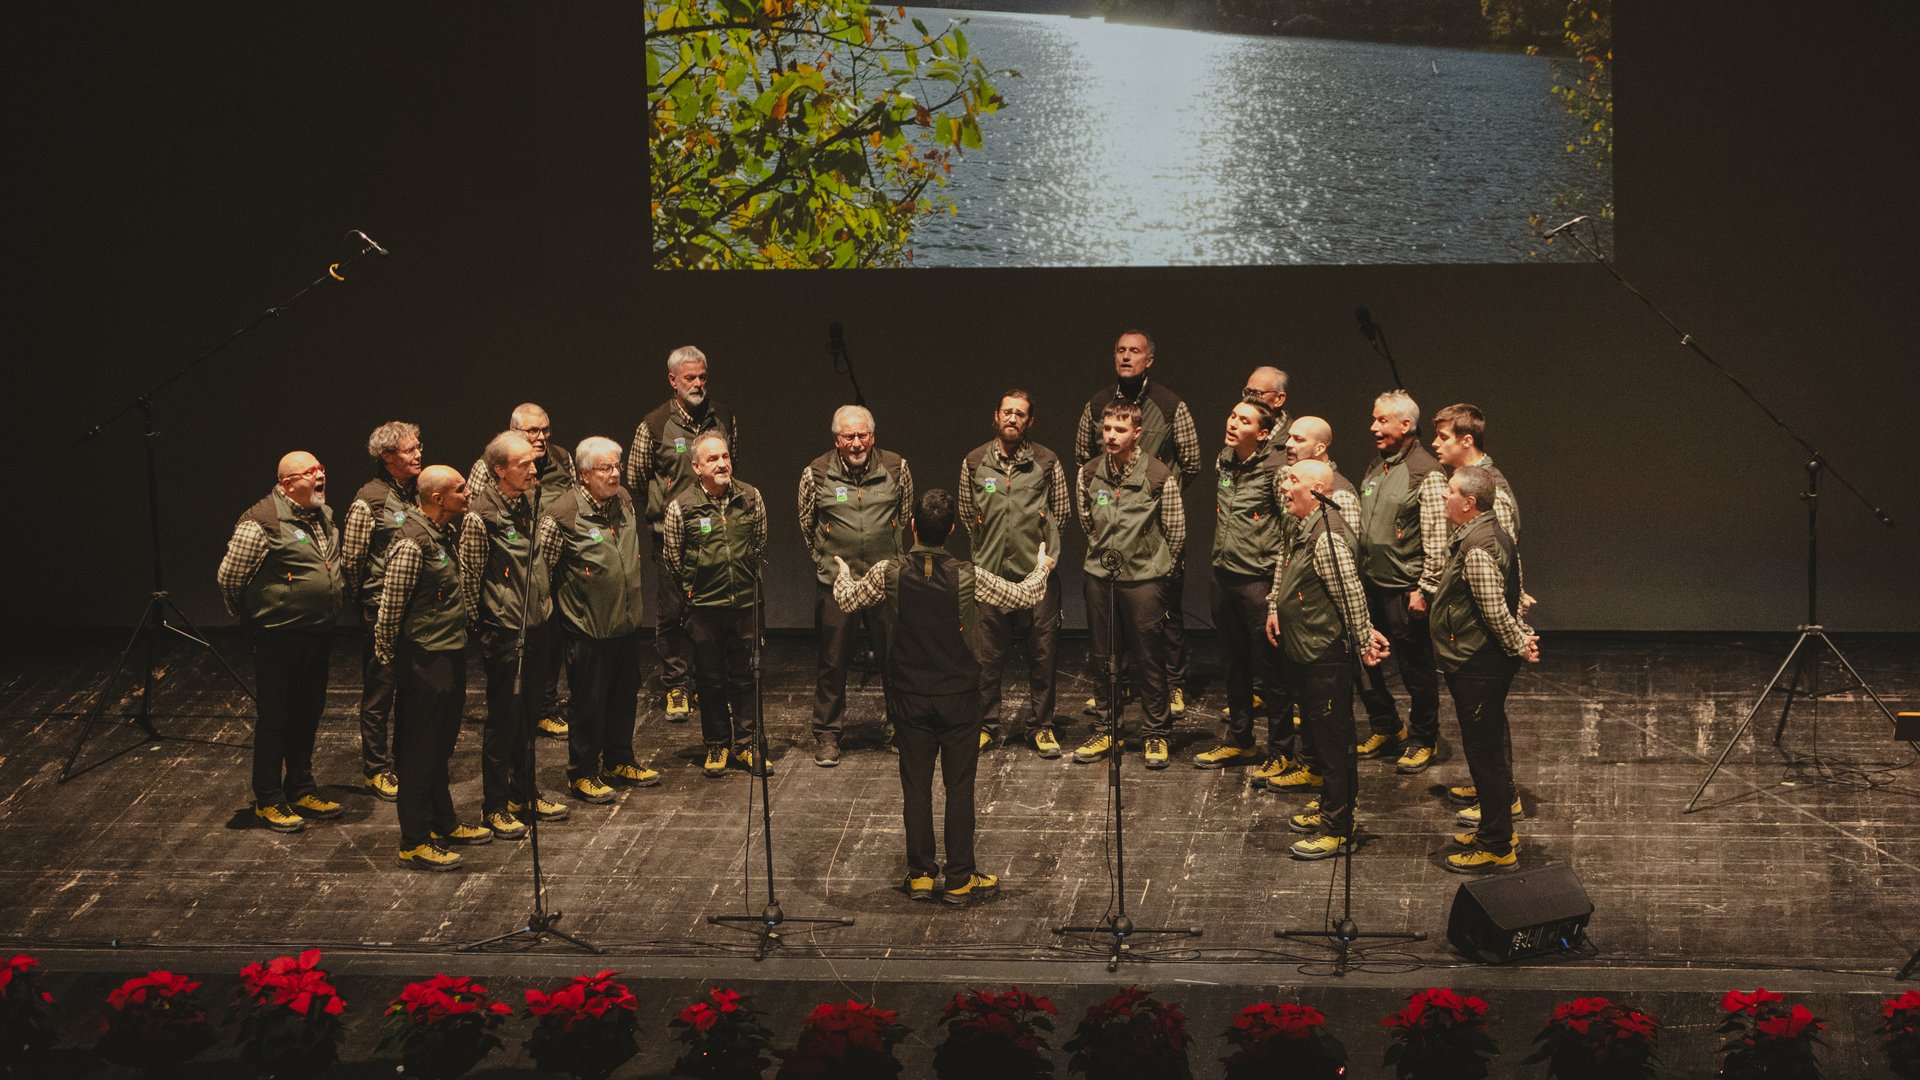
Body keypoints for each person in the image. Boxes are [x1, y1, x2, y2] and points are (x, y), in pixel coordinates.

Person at [832, 489, 1054, 904]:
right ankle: (958, 879)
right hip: (959, 698)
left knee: (915, 786)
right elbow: (1025, 596)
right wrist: (1041, 568)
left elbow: (846, 598)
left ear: (911, 525)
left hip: (910, 697)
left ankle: (919, 874)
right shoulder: (968, 575)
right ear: (953, 529)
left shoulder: (887, 572)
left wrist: (844, 571)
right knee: (959, 787)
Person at [1263, 460, 1390, 860]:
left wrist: (1365, 637)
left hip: (1325, 654)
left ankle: (1339, 827)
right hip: (1307, 649)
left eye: (1294, 481)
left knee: (1334, 743)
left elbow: (1349, 594)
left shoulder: (1327, 536)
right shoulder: (1305, 526)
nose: (1286, 487)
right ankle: (1332, 806)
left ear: (1317, 488)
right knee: (1321, 737)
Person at [216, 451, 345, 833]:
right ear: (288, 482)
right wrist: (258, 613)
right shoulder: (261, 522)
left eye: (322, 468)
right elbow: (230, 577)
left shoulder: (322, 514)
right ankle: (268, 798)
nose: (321, 475)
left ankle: (301, 787)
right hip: (278, 636)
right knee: (277, 717)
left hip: (317, 632)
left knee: (308, 712)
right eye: (311, 472)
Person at [1074, 330, 1201, 716]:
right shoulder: (1097, 405)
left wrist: (1155, 499)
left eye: (1135, 351)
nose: (1126, 357)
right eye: (1120, 350)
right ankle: (1116, 690)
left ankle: (1173, 686)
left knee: (1165, 618)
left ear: (1150, 359)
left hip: (1154, 526)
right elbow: (1083, 458)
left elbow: (1191, 462)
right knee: (1110, 629)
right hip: (1112, 526)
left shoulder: (1169, 404)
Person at [375, 465, 489, 871]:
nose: (469, 493)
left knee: (440, 747)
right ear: (437, 498)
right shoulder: (411, 543)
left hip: (448, 650)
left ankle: (443, 822)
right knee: (419, 751)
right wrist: (389, 655)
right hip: (423, 656)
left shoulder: (447, 533)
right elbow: (390, 608)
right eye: (460, 489)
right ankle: (414, 839)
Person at [459, 431, 571, 842]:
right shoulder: (481, 515)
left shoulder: (527, 503)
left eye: (532, 461)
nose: (532, 468)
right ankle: (495, 804)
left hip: (537, 623)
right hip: (506, 630)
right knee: (504, 720)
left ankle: (525, 794)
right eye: (522, 463)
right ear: (499, 470)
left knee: (527, 720)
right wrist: (484, 625)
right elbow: (470, 577)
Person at [1422, 402, 1531, 824]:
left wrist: (1518, 633)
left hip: (1481, 642)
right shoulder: (1465, 486)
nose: (1436, 444)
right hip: (1472, 626)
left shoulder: (1489, 494)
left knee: (1486, 722)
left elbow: (1502, 557)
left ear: (1467, 441)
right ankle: (1493, 789)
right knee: (1482, 726)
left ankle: (1499, 796)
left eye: (1444, 437)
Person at [1430, 466, 1539, 873]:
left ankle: (1496, 845)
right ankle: (1500, 830)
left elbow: (1495, 609)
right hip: (1480, 660)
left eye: (1450, 493)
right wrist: (1522, 636)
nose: (1444, 498)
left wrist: (1518, 643)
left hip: (1478, 663)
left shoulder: (1477, 546)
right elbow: (1515, 590)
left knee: (1485, 757)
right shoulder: (1493, 534)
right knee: (1486, 751)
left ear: (1469, 503)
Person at [538, 437, 659, 802]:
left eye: (617, 466)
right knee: (588, 703)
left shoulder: (622, 501)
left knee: (624, 697)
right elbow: (543, 568)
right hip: (587, 628)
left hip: (624, 622)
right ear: (584, 474)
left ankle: (619, 759)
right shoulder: (562, 514)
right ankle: (583, 771)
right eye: (605, 468)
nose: (614, 474)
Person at [627, 346, 739, 725]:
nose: (697, 384)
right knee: (673, 609)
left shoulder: (721, 416)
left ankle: (716, 684)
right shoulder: (654, 424)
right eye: (689, 378)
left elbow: (730, 463)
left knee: (716, 611)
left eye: (702, 377)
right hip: (672, 532)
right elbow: (637, 477)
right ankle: (676, 684)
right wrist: (666, 507)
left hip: (718, 528)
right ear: (673, 380)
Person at [798, 404, 913, 765]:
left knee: (896, 658)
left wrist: (894, 560)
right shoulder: (815, 473)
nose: (857, 442)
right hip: (838, 584)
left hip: (884, 581)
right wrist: (824, 562)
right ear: (837, 440)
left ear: (872, 436)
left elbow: (905, 514)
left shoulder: (897, 468)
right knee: (832, 661)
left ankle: (902, 727)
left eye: (863, 435)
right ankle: (828, 735)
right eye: (849, 436)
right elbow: (807, 523)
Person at [958, 390, 1070, 757]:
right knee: (987, 658)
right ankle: (987, 725)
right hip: (990, 576)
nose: (1013, 419)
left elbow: (1062, 513)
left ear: (1029, 422)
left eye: (1020, 414)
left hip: (1035, 576)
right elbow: (966, 514)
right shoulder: (975, 462)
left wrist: (1044, 554)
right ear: (996, 416)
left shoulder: (1047, 461)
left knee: (1042, 655)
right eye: (1007, 412)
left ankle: (1042, 726)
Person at [1074, 400, 1183, 770]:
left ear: (1137, 433)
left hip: (1144, 579)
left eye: (1119, 430)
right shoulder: (1089, 473)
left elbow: (1176, 529)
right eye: (1106, 429)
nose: (1111, 436)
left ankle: (1155, 733)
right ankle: (1107, 727)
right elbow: (1087, 522)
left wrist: (1155, 563)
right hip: (1101, 577)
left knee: (1149, 658)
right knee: (1104, 656)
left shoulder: (1157, 474)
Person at [661, 432, 770, 777]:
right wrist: (696, 587)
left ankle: (749, 745)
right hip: (704, 608)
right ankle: (717, 745)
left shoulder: (751, 497)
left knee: (747, 677)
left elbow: (759, 545)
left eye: (725, 456)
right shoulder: (682, 507)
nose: (722, 463)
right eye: (712, 459)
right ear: (696, 467)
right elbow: (673, 560)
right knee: (710, 681)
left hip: (744, 607)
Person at [468, 402, 578, 740]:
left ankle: (545, 704)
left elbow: (574, 498)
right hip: (511, 573)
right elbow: (476, 513)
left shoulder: (561, 459)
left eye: (545, 429)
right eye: (533, 431)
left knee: (552, 638)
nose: (541, 437)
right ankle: (526, 710)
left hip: (554, 563)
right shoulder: (489, 466)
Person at [1192, 401, 1285, 772]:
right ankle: (1240, 740)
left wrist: (1276, 592)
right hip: (1224, 575)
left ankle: (1281, 752)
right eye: (1232, 415)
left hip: (1258, 581)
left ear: (1262, 434)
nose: (1232, 423)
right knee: (1233, 665)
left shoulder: (1276, 471)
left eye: (1243, 421)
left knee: (1272, 672)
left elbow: (1288, 529)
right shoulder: (1225, 460)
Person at [1355, 391, 1443, 773]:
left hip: (1405, 588)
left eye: (1382, 421)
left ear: (1405, 425)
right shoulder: (1379, 466)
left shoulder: (1427, 472)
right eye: (1374, 420)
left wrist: (1424, 588)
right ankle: (1387, 725)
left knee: (1415, 669)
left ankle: (1424, 738)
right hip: (1370, 584)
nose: (1374, 427)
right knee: (1364, 661)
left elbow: (1438, 538)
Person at [342, 421, 421, 801]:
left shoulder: (418, 491)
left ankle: (406, 760)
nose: (418, 453)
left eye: (418, 446)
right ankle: (376, 767)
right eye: (409, 450)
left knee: (412, 689)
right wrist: (366, 602)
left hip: (417, 609)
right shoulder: (369, 500)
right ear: (388, 458)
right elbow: (353, 560)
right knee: (380, 692)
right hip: (381, 607)